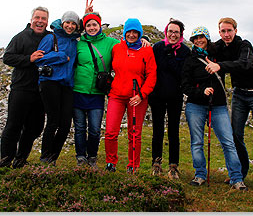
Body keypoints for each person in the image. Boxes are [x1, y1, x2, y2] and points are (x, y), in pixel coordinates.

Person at [205, 17, 253, 194]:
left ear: (235, 30)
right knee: (235, 135)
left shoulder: (245, 45)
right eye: (223, 31)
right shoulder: (219, 47)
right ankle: (240, 173)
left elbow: (244, 63)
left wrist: (220, 65)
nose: (226, 34)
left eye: (229, 30)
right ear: (219, 32)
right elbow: (202, 50)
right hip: (240, 93)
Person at [182, 26, 247, 190]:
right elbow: (185, 85)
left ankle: (236, 178)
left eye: (201, 37)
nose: (198, 41)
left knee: (228, 142)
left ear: (207, 38)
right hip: (195, 105)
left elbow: (234, 60)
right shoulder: (190, 60)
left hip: (218, 105)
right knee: (197, 142)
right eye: (195, 39)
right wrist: (200, 92)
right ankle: (200, 175)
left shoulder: (218, 54)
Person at [0, 7, 50, 168]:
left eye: (43, 19)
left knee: (35, 127)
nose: (40, 21)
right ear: (31, 19)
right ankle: (5, 161)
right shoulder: (20, 37)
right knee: (14, 125)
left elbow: (70, 32)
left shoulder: (50, 37)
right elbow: (7, 57)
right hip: (21, 89)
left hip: (41, 91)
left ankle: (20, 159)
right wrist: (29, 58)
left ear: (47, 22)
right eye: (37, 18)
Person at [104, 18, 157, 173]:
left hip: (137, 97)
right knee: (110, 131)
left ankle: (133, 165)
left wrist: (142, 94)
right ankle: (110, 162)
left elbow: (152, 75)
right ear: (125, 32)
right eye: (129, 31)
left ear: (140, 34)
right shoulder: (117, 48)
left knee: (134, 133)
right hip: (117, 95)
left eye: (136, 32)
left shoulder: (147, 50)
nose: (132, 35)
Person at [72, 11, 119, 169]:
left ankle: (92, 157)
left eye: (94, 24)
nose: (92, 27)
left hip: (97, 93)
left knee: (94, 129)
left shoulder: (111, 43)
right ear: (84, 27)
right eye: (88, 25)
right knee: (79, 128)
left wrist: (145, 40)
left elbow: (129, 44)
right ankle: (80, 157)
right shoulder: (78, 43)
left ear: (100, 25)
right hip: (78, 90)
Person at [35, 10, 81, 165]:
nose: (70, 26)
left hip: (67, 84)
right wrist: (60, 56)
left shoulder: (75, 41)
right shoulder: (51, 37)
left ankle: (53, 157)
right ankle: (46, 158)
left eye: (73, 23)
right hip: (50, 82)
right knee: (53, 121)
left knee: (66, 124)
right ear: (62, 23)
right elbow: (38, 58)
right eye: (67, 22)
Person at [148, 18, 190, 179]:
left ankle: (173, 166)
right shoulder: (158, 47)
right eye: (170, 31)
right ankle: (156, 163)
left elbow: (182, 74)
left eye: (176, 32)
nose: (173, 35)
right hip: (157, 96)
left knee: (174, 131)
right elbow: (151, 68)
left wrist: (171, 56)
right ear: (166, 32)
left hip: (175, 96)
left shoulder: (185, 51)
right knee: (157, 130)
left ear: (181, 35)